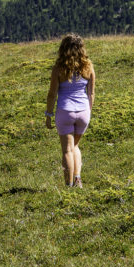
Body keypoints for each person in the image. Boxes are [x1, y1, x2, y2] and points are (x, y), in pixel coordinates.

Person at [45, 33, 95, 188]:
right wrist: (89, 111)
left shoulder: (59, 68)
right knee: (75, 147)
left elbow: (52, 94)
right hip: (83, 111)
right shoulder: (88, 66)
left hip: (65, 111)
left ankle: (68, 185)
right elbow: (91, 92)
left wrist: (48, 114)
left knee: (67, 150)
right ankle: (77, 179)